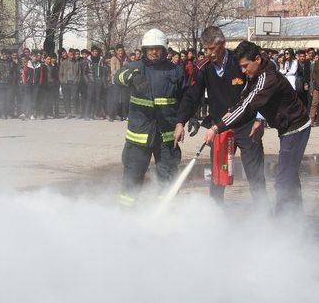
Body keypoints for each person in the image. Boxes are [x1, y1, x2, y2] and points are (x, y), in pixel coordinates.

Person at [203, 40, 310, 214]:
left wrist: (216, 128)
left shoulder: (268, 78)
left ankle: (283, 225)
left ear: (257, 59)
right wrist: (230, 112)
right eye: (241, 67)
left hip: (296, 128)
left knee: (283, 179)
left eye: (246, 66)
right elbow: (244, 99)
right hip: (286, 128)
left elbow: (248, 106)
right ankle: (295, 217)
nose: (244, 71)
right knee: (289, 176)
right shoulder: (257, 76)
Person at [174, 26, 267, 206]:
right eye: (205, 49)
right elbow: (192, 96)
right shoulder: (203, 67)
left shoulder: (239, 62)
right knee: (218, 177)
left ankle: (264, 217)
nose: (208, 53)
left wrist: (259, 119)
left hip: (247, 127)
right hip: (220, 128)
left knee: (255, 176)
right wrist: (180, 122)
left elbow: (261, 89)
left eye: (211, 49)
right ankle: (215, 216)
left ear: (223, 44)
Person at [114, 29, 185, 206]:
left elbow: (185, 98)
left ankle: (165, 213)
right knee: (132, 177)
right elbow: (117, 77)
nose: (153, 52)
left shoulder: (176, 71)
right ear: (144, 50)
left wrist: (184, 119)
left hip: (166, 136)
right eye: (150, 49)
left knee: (168, 177)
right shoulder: (136, 67)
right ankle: (125, 214)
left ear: (164, 49)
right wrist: (132, 77)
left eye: (157, 48)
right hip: (139, 135)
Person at [0, 50, 17, 119]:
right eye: (3, 54)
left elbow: (14, 74)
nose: (5, 56)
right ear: (1, 54)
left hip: (9, 84)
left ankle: (9, 113)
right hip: (1, 83)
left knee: (9, 99)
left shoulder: (12, 63)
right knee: (2, 99)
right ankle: (3, 114)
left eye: (6, 54)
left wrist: (13, 82)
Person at [109, 44, 128, 121]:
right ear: (116, 51)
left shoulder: (125, 59)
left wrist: (126, 65)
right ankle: (112, 116)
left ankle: (123, 115)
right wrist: (121, 70)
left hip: (123, 82)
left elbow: (127, 69)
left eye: (122, 51)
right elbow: (113, 71)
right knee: (115, 99)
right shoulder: (113, 58)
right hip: (116, 82)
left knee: (124, 99)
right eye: (119, 51)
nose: (120, 52)